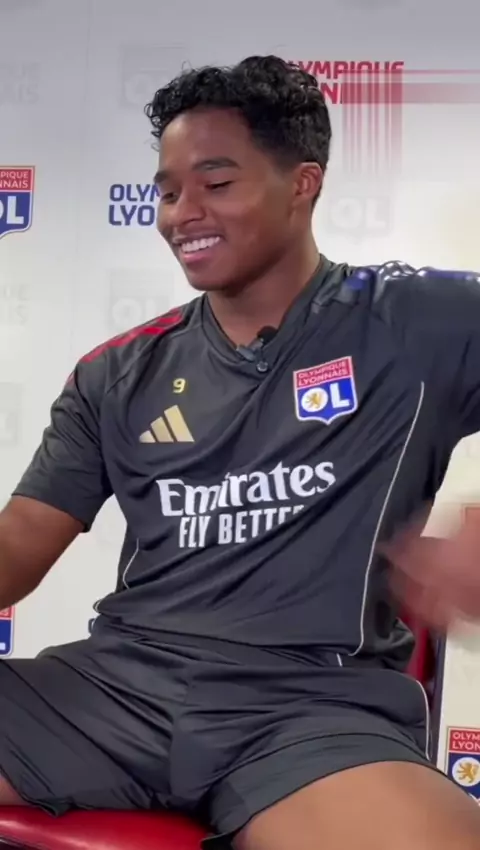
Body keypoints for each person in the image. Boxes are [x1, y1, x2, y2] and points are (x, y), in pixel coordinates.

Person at [0, 54, 479, 850]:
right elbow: (20, 540)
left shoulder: (414, 321)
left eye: (216, 183)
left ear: (302, 184)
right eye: (167, 191)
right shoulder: (117, 372)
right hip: (111, 697)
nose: (182, 213)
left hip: (311, 714)